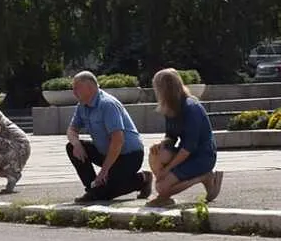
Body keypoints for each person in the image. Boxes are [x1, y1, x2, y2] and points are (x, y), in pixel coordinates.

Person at [66, 71, 149, 203]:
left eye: (77, 88)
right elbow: (71, 130)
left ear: (90, 87)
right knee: (71, 147)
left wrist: (104, 172)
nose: (73, 92)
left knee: (106, 193)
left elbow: (118, 140)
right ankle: (92, 189)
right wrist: (76, 144)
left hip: (129, 155)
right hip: (106, 153)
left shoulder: (107, 104)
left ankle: (142, 179)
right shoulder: (82, 105)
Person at [146, 68, 221, 207]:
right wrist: (161, 144)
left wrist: (166, 170)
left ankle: (203, 176)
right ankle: (165, 191)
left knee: (161, 187)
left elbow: (188, 147)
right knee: (156, 154)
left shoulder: (191, 108)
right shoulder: (170, 108)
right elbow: (171, 136)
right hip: (186, 153)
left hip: (202, 157)